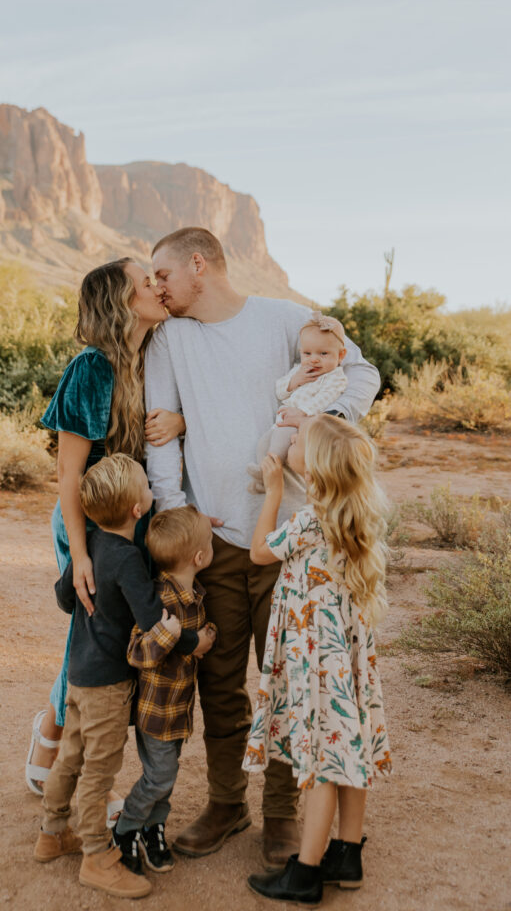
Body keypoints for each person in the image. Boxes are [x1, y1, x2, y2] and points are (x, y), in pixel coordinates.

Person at [144, 227, 381, 867]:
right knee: (218, 677)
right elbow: (160, 434)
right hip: (214, 541)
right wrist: (175, 515)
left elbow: (363, 371)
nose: (156, 287)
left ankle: (281, 813)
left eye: (162, 274)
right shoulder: (168, 340)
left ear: (199, 264)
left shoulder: (287, 319)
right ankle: (227, 803)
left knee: (284, 678)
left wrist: (320, 421)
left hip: (291, 540)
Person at [25, 259, 212, 797]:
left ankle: (87, 758)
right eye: (145, 281)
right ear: (121, 301)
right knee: (93, 629)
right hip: (90, 521)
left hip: (136, 520)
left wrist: (182, 420)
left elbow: (188, 415)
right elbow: (68, 474)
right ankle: (53, 733)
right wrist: (81, 557)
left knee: (125, 631)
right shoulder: (91, 368)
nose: (157, 285)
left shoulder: (155, 355)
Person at [244, 415, 392, 905]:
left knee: (325, 761)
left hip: (317, 656)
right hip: (346, 655)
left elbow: (261, 552)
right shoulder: (352, 512)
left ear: (316, 467)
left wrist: (270, 492)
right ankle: (346, 855)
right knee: (351, 749)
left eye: (301, 439)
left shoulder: (310, 519)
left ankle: (305, 872)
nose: (291, 439)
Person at [33, 453, 163, 899]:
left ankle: (52, 833)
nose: (152, 491)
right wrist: (189, 639)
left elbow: (65, 598)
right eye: (148, 486)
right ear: (137, 509)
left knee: (71, 756)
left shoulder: (88, 548)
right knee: (99, 772)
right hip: (109, 684)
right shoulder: (128, 558)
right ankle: (96, 856)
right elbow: (151, 620)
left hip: (79, 676)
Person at [112, 505, 216, 875]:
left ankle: (153, 828)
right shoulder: (159, 599)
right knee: (160, 776)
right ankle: (125, 829)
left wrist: (205, 638)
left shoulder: (196, 595)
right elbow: (137, 651)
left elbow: (202, 634)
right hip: (155, 711)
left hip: (179, 710)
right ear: (200, 557)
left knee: (166, 774)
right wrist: (170, 636)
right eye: (210, 540)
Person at [246, 311, 348, 493]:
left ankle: (270, 469)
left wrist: (303, 412)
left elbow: (326, 397)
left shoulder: (336, 377)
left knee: (278, 445)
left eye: (323, 353)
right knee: (263, 443)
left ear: (340, 356)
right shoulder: (299, 370)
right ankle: (264, 478)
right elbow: (280, 391)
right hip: (283, 419)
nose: (314, 359)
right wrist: (295, 381)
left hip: (300, 423)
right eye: (307, 353)